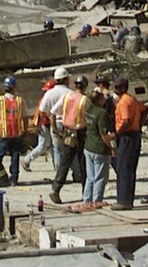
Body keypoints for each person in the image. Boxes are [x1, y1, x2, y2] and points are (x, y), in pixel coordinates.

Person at [50, 75, 89, 204]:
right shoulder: (85, 100)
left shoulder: (66, 97)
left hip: (68, 133)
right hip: (81, 133)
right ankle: (86, 193)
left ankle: (55, 189)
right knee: (83, 164)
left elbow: (53, 111)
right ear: (84, 86)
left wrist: (55, 128)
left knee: (65, 163)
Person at [112, 76, 146, 210]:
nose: (115, 90)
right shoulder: (132, 99)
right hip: (134, 135)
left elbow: (125, 120)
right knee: (130, 168)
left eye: (116, 87)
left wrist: (118, 133)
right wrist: (139, 124)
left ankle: (123, 201)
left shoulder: (124, 102)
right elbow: (144, 109)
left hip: (127, 136)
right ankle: (128, 200)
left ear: (122, 88)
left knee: (123, 168)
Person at [0, 76, 25, 187]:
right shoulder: (20, 101)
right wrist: (25, 130)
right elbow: (26, 117)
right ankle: (14, 179)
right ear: (14, 87)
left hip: (3, 132)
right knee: (15, 156)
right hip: (16, 132)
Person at [81, 87, 113, 205]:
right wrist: (112, 147)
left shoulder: (88, 110)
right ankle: (97, 200)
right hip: (100, 149)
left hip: (88, 146)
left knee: (90, 177)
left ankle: (87, 199)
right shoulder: (102, 113)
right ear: (99, 100)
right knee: (100, 177)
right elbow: (104, 134)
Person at [21, 79, 57, 174]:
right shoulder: (45, 99)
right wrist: (37, 125)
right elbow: (40, 113)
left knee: (53, 146)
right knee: (42, 146)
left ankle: (57, 166)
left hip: (49, 124)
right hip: (44, 124)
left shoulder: (49, 98)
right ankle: (26, 160)